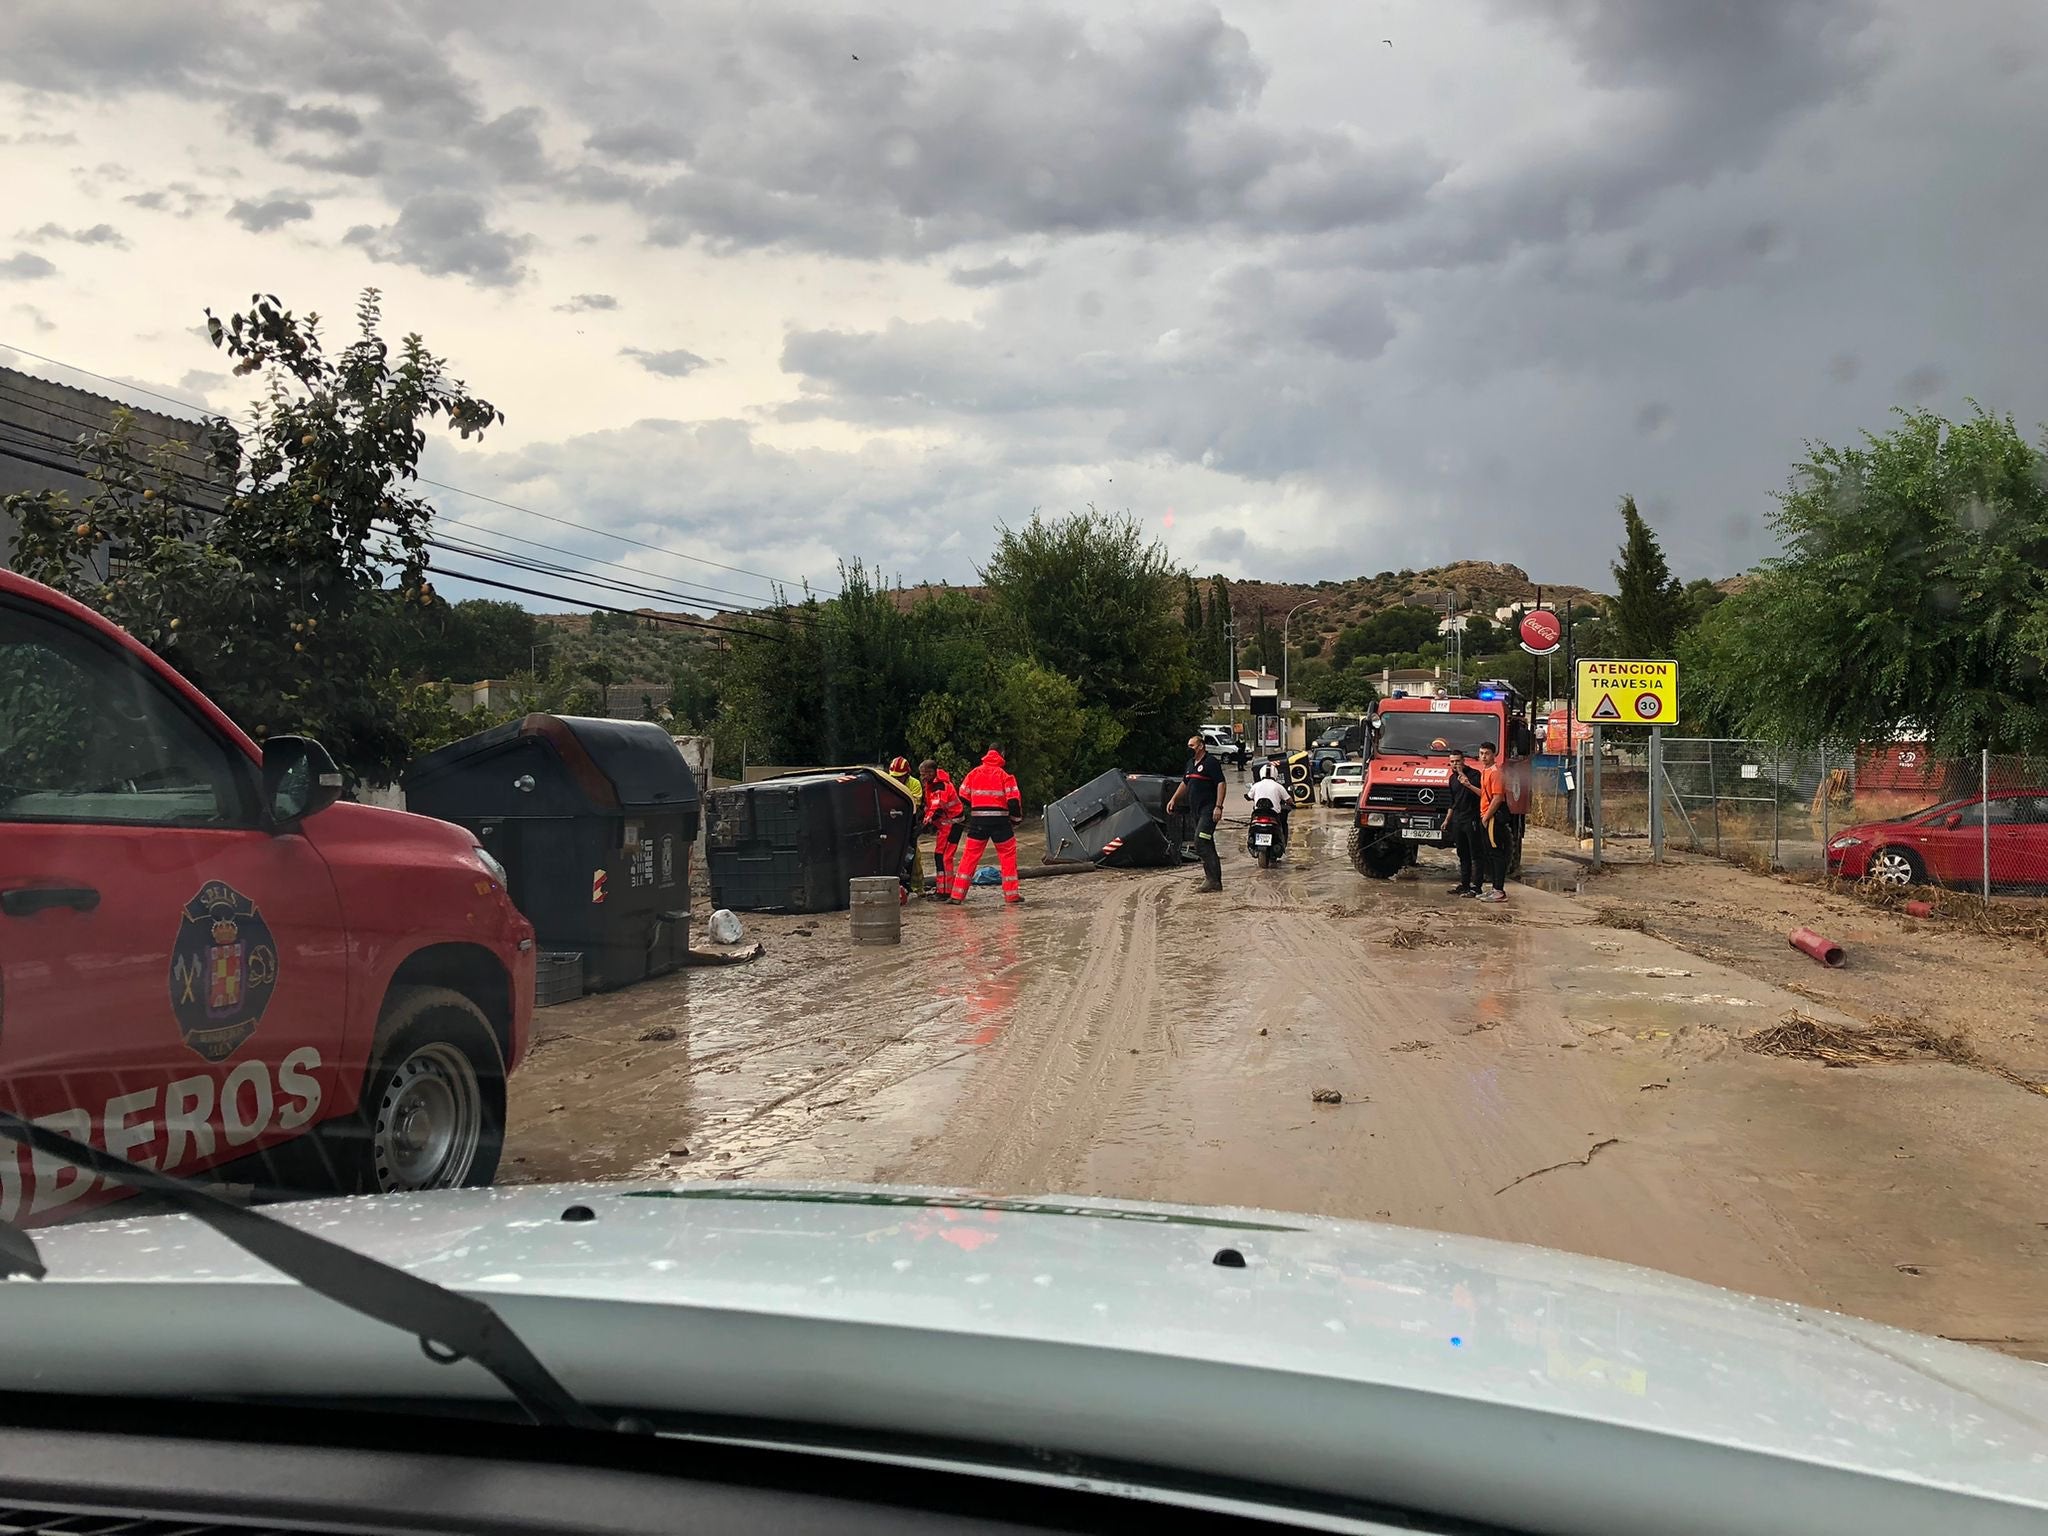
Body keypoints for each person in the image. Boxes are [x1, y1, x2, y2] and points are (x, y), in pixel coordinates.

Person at [950, 746, 1024, 905]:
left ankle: (957, 896)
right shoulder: (1005, 776)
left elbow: (962, 794)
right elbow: (1013, 802)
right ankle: (1011, 896)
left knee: (969, 857)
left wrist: (977, 805)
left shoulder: (973, 773)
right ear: (1002, 754)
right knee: (1007, 857)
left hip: (978, 821)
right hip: (1001, 822)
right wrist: (1016, 820)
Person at [1167, 733, 1226, 892]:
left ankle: (1212, 880)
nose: (1189, 749)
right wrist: (1174, 799)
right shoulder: (1190, 763)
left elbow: (1221, 783)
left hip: (1209, 811)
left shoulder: (1211, 763)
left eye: (1192, 746)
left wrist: (1218, 806)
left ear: (1201, 746)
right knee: (1207, 843)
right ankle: (1215, 881)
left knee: (1201, 841)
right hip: (1196, 811)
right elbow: (1185, 783)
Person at [920, 758, 962, 900]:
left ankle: (944, 892)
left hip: (952, 824)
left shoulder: (940, 786)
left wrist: (925, 822)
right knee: (940, 856)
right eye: (922, 774)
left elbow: (937, 806)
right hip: (945, 825)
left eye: (925, 774)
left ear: (933, 772)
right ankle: (942, 888)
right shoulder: (931, 784)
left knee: (944, 857)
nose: (923, 777)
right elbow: (929, 805)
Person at [885, 756, 924, 899]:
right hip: (892, 823)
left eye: (900, 777)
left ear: (907, 774)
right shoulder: (888, 782)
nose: (897, 779)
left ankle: (918, 887)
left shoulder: (914, 783)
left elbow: (914, 803)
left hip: (909, 823)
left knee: (915, 856)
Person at [1476, 740, 1509, 902]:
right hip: (1487, 816)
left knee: (1496, 854)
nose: (1483, 756)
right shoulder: (1486, 771)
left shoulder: (1495, 772)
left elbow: (1497, 798)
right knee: (1489, 852)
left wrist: (1486, 817)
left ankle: (1499, 891)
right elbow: (1484, 793)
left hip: (1493, 818)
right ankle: (1495, 888)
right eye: (1481, 753)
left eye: (1486, 753)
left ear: (1493, 755)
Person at [1447, 748, 1483, 896]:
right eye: (1452, 762)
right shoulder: (1452, 778)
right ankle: (1465, 884)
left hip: (1472, 817)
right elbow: (1452, 801)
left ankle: (1477, 887)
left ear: (1463, 761)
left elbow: (1480, 794)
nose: (1455, 764)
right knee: (1462, 853)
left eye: (1458, 761)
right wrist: (1447, 819)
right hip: (1457, 818)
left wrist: (1464, 779)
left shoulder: (1475, 775)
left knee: (1476, 853)